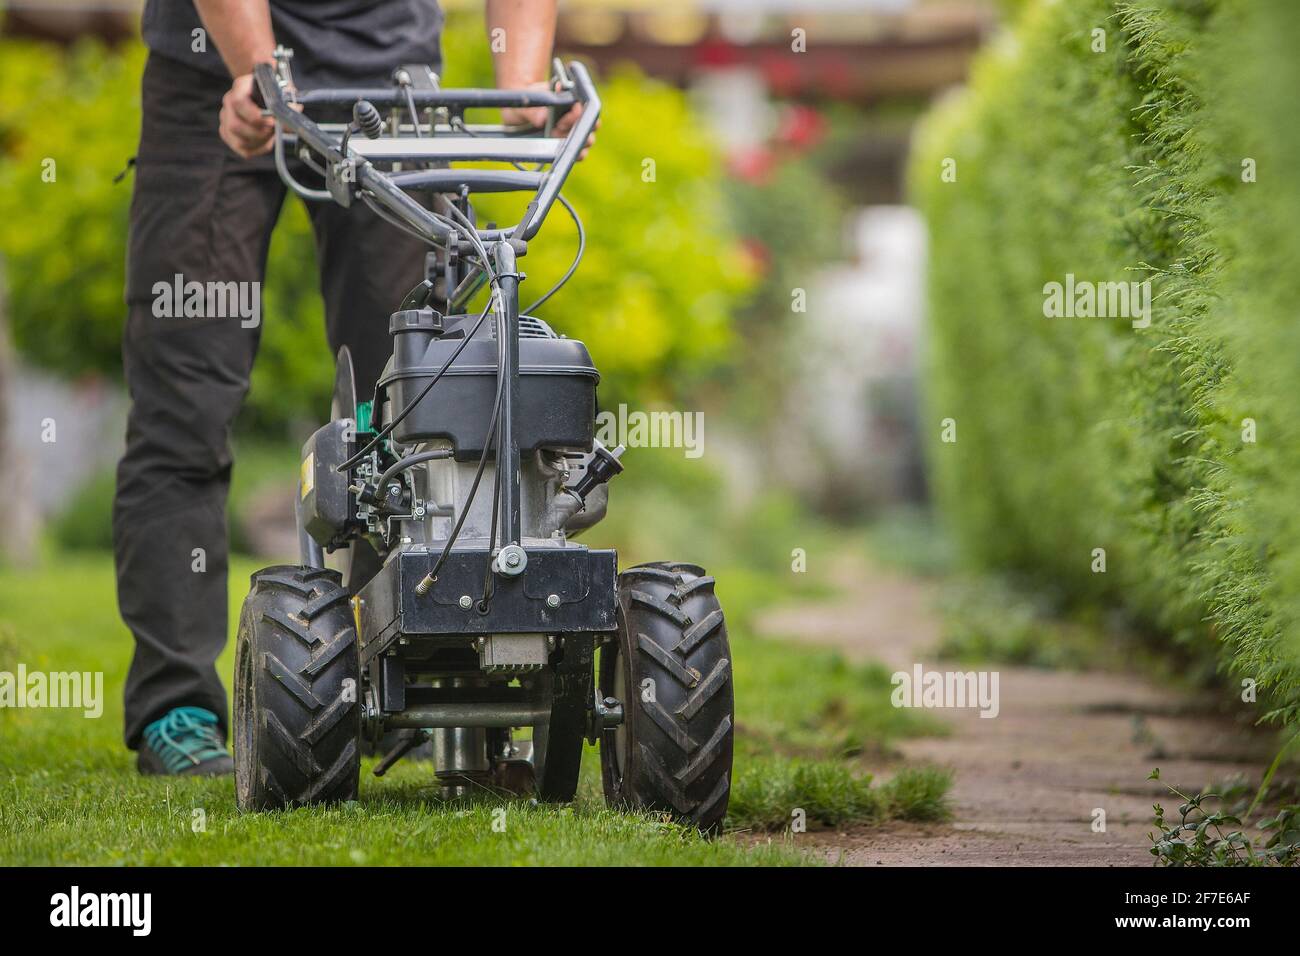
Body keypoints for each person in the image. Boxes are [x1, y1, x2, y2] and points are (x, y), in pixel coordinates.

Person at [115, 0, 589, 775]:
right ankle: (180, 706)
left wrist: (526, 89)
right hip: (213, 72)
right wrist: (254, 71)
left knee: (416, 400)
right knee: (186, 401)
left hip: (391, 82)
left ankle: (404, 679)